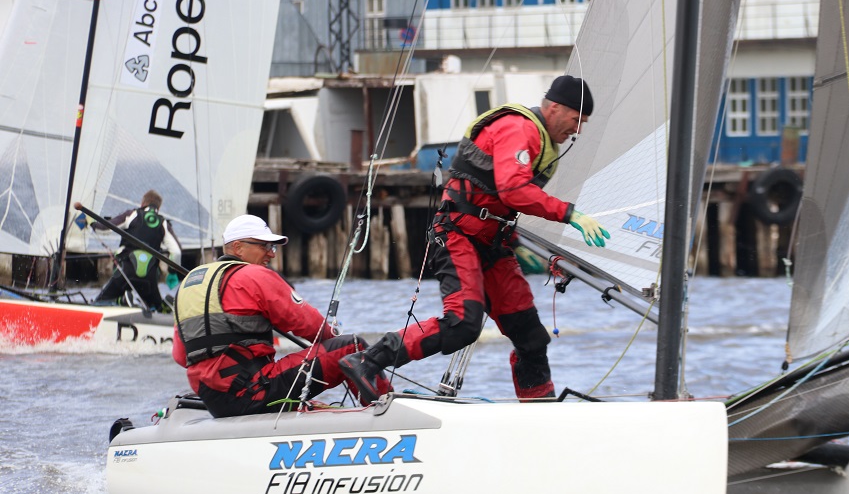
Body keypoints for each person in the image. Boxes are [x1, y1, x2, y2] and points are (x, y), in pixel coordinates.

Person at [340, 75, 610, 404]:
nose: (577, 130)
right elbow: (514, 190)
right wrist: (570, 214)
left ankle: (539, 408)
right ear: (555, 108)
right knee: (463, 324)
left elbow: (501, 199)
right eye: (576, 119)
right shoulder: (519, 128)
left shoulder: (543, 142)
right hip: (458, 234)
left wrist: (522, 247)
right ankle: (369, 361)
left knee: (531, 336)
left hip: (492, 243)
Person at [171, 214, 392, 418]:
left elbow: (181, 357)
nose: (270, 252)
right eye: (264, 245)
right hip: (253, 392)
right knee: (352, 348)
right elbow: (312, 327)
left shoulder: (189, 286)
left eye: (272, 247)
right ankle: (387, 412)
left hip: (215, 401)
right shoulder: (255, 275)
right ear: (238, 247)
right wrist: (334, 335)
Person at [93, 190, 181, 313]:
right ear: (158, 207)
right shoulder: (163, 223)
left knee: (100, 302)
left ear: (143, 202)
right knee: (155, 308)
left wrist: (90, 224)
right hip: (149, 276)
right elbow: (176, 252)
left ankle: (121, 300)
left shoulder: (132, 214)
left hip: (126, 270)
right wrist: (172, 272)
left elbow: (104, 229)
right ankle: (162, 306)